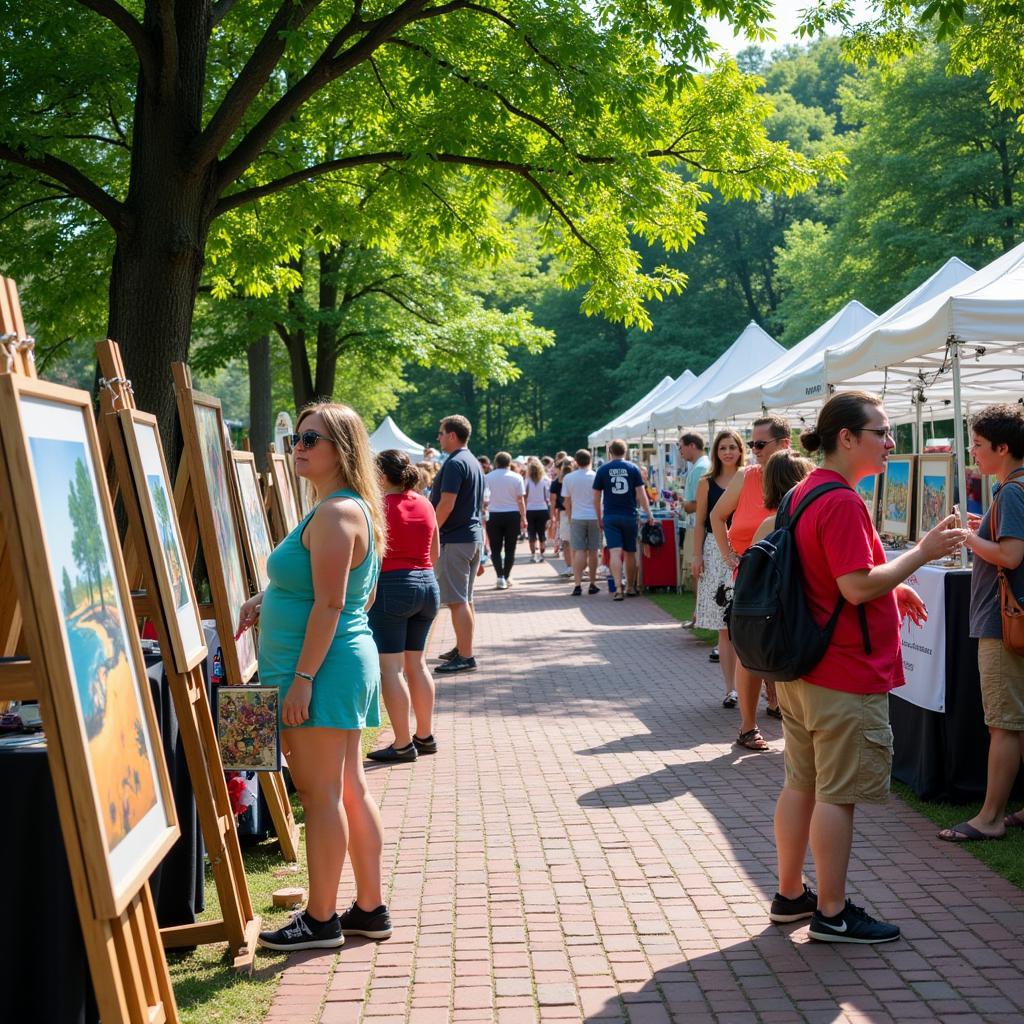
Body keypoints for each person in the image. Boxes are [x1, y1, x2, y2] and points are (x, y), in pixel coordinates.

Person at [768, 391, 965, 945]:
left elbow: (833, 576)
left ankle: (791, 895)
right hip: (842, 672)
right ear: (847, 438)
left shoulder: (806, 491)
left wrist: (893, 588)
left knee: (801, 783)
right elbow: (855, 586)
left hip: (805, 668)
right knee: (837, 793)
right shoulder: (841, 501)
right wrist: (920, 555)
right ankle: (831, 912)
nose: (889, 441)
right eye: (881, 431)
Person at [245, 403, 391, 952]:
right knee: (347, 788)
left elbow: (333, 603)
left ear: (342, 449)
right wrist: (270, 598)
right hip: (332, 665)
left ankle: (321, 918)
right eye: (297, 438)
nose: (299, 445)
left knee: (322, 793)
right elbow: (350, 593)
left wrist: (303, 677)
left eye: (312, 438)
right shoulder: (341, 510)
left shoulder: (335, 514)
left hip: (319, 671)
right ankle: (369, 910)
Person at [938, 404, 1024, 842]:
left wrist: (970, 537)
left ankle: (990, 817)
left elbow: (1010, 556)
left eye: (977, 444)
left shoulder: (1011, 490)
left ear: (1003, 447)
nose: (973, 452)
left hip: (1003, 621)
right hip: (1014, 619)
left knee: (1005, 723)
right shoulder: (1014, 488)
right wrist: (982, 530)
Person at [711, 415, 792, 751]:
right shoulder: (747, 477)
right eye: (753, 443)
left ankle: (776, 703)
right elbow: (716, 515)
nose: (754, 450)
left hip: (790, 579)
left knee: (783, 645)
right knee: (750, 651)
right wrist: (729, 556)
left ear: (784, 444)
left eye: (761, 444)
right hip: (751, 579)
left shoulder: (800, 478)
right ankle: (748, 726)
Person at [366, 449, 440, 764]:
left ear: (382, 476)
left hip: (393, 587)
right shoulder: (424, 502)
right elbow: (434, 550)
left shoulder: (377, 507)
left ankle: (401, 743)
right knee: (418, 665)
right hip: (427, 584)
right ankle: (424, 735)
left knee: (391, 669)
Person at [692, 430, 744, 707]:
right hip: (714, 552)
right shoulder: (706, 483)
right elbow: (701, 522)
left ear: (740, 450)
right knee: (724, 626)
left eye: (732, 447)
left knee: (747, 623)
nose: (727, 452)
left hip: (743, 550)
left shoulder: (748, 478)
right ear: (716, 452)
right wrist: (696, 555)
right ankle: (730, 689)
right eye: (723, 447)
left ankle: (756, 686)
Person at [431, 415, 486, 674]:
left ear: (452, 435)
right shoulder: (473, 461)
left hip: (455, 539)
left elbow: (446, 504)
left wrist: (431, 532)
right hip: (471, 538)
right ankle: (463, 647)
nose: (439, 438)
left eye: (441, 433)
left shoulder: (454, 464)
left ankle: (465, 655)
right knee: (466, 599)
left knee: (457, 601)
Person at [592, 438, 654, 601]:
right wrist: (649, 513)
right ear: (625, 451)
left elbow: (596, 497)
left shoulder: (603, 470)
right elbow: (641, 494)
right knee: (630, 553)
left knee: (614, 552)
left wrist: (599, 518)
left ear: (610, 452)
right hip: (629, 515)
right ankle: (630, 587)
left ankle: (618, 588)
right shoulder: (633, 468)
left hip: (611, 516)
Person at [484, 452, 527, 589]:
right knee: (510, 548)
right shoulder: (517, 477)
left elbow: (484, 499)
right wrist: (523, 517)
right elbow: (520, 500)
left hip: (493, 515)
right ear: (509, 463)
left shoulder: (487, 477)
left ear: (496, 462)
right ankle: (506, 576)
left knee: (495, 548)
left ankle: (499, 576)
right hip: (512, 515)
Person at [561, 449, 601, 595]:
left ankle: (577, 584)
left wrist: (570, 517)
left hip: (577, 517)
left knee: (579, 551)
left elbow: (567, 501)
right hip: (594, 516)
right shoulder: (596, 476)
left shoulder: (569, 478)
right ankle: (592, 583)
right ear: (590, 460)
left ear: (576, 462)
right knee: (593, 551)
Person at [679, 433, 710, 590]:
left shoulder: (700, 468)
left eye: (681, 446)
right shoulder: (703, 465)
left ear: (692, 445)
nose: (680, 451)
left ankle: (698, 612)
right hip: (702, 525)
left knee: (698, 570)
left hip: (700, 525)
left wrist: (684, 504)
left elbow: (698, 504)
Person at [550, 457, 575, 577]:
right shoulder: (576, 479)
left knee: (566, 541)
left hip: (564, 513)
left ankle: (570, 567)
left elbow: (553, 501)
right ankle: (580, 567)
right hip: (578, 511)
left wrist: (552, 517)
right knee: (580, 542)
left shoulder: (556, 483)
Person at [525, 457, 552, 562]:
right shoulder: (545, 480)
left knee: (531, 533)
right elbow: (547, 497)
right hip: (542, 509)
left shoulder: (527, 481)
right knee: (542, 533)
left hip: (530, 509)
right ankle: (541, 555)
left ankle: (532, 555)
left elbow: (524, 496)